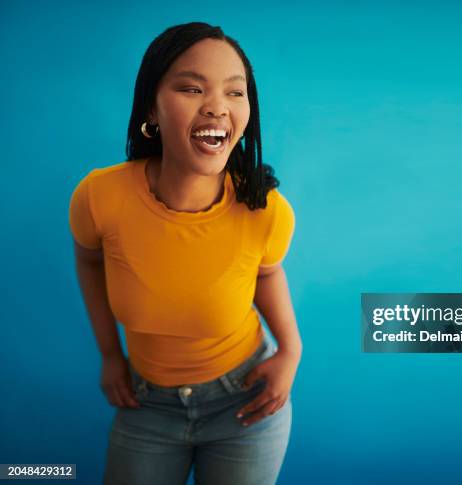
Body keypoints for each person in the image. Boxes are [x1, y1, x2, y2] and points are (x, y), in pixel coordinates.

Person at [68, 21, 302, 485]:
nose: (217, 106)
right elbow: (89, 261)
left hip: (244, 402)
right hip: (146, 404)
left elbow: (268, 273)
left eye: (235, 93)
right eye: (192, 88)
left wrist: (291, 352)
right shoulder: (99, 197)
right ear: (152, 108)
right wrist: (110, 354)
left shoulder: (265, 210)